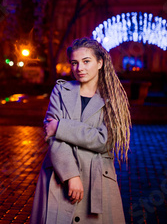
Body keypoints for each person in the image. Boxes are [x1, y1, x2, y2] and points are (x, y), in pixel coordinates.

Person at [30, 37, 131, 223]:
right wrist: (71, 175)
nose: (79, 68)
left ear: (100, 63)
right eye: (74, 63)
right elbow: (53, 139)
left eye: (86, 61)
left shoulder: (113, 99)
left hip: (97, 180)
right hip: (58, 176)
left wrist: (61, 126)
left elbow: (103, 140)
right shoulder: (61, 91)